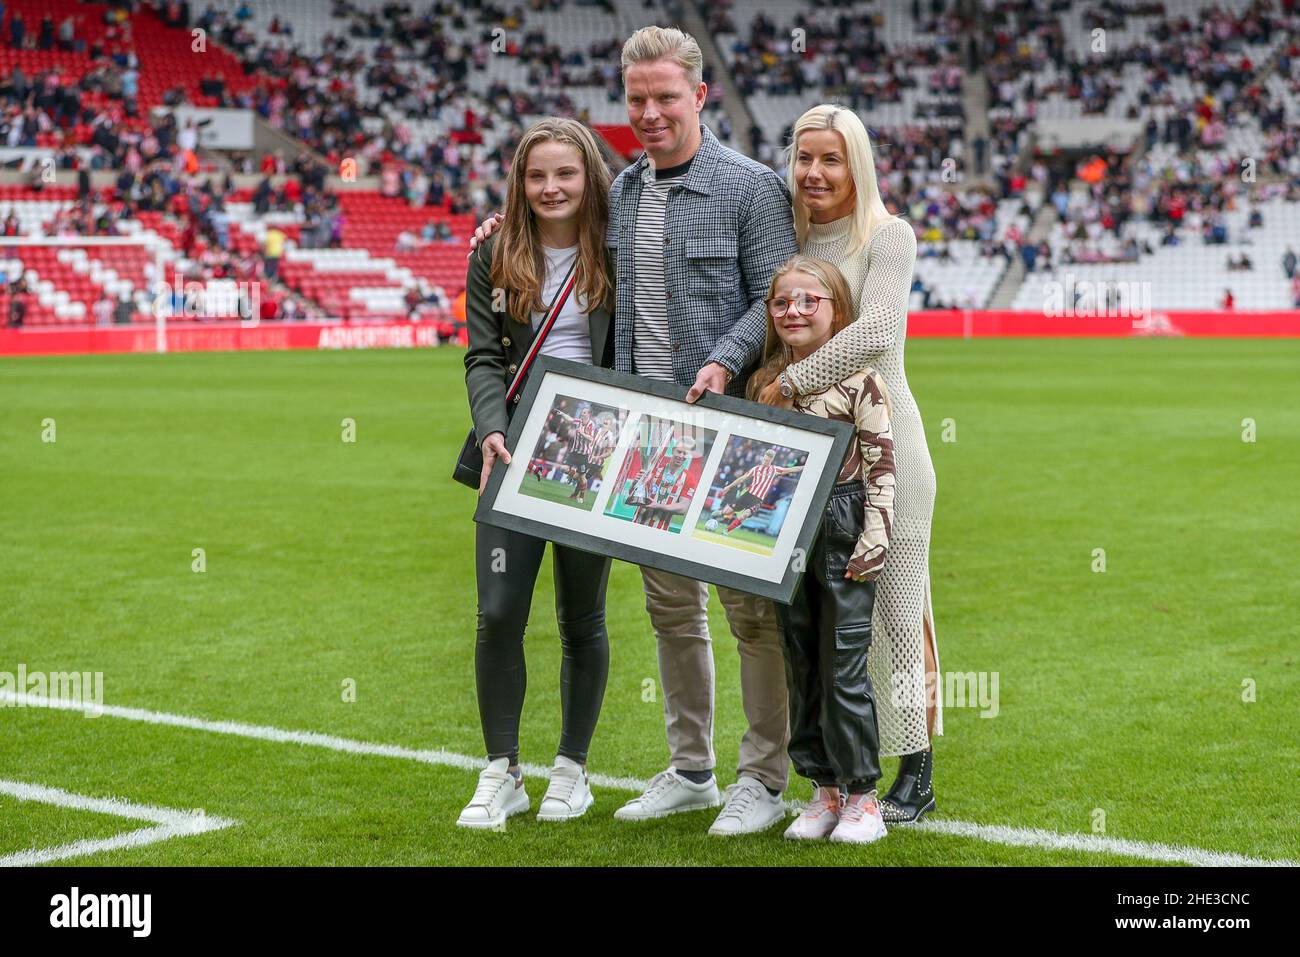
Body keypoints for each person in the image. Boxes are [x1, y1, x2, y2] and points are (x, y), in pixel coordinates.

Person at [472, 27, 800, 836]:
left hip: (727, 427)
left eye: (665, 97)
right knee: (670, 610)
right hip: (639, 435)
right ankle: (692, 769)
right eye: (637, 99)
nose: (650, 113)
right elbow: (550, 217)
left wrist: (723, 361)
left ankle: (763, 776)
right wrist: (495, 226)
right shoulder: (622, 191)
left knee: (749, 614)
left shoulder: (753, 187)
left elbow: (776, 293)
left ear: (700, 94)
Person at [757, 104, 940, 823]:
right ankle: (835, 776)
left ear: (856, 164)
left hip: (887, 448)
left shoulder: (887, 236)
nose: (815, 172)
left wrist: (791, 382)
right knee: (824, 625)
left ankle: (916, 772)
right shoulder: (791, 236)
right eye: (804, 157)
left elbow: (880, 329)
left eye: (831, 158)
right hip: (808, 457)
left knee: (899, 613)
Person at [460, 117, 616, 831]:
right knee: (498, 613)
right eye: (536, 175)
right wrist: (492, 425)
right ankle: (502, 770)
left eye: (566, 173)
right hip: (514, 448)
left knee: (581, 616)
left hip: (597, 450)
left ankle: (572, 769)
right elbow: (484, 354)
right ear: (520, 184)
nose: (551, 187)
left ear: (589, 177)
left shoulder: (619, 248)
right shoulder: (494, 251)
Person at [751, 255, 895, 843]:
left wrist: (876, 530)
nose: (796, 311)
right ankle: (823, 788)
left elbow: (882, 458)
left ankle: (863, 796)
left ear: (837, 311)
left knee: (844, 664)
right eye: (784, 302)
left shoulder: (862, 378)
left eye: (811, 300)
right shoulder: (765, 383)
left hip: (842, 520)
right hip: (788, 527)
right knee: (800, 659)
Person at [708, 448, 804, 535]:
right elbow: (742, 479)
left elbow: (791, 469)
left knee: (745, 515)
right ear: (763, 458)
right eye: (765, 459)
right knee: (727, 511)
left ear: (771, 460)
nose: (765, 462)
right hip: (748, 495)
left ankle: (726, 531)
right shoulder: (756, 469)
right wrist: (729, 486)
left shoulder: (774, 470)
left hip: (757, 500)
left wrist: (804, 467)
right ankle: (721, 513)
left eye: (768, 460)